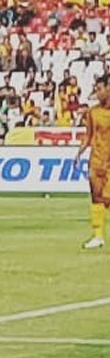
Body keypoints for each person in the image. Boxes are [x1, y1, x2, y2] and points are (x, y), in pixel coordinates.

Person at [76, 76, 110, 249]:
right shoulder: (93, 112)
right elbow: (88, 135)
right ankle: (98, 236)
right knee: (96, 196)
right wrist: (79, 153)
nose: (97, 93)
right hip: (96, 160)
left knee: (107, 198)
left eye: (100, 89)